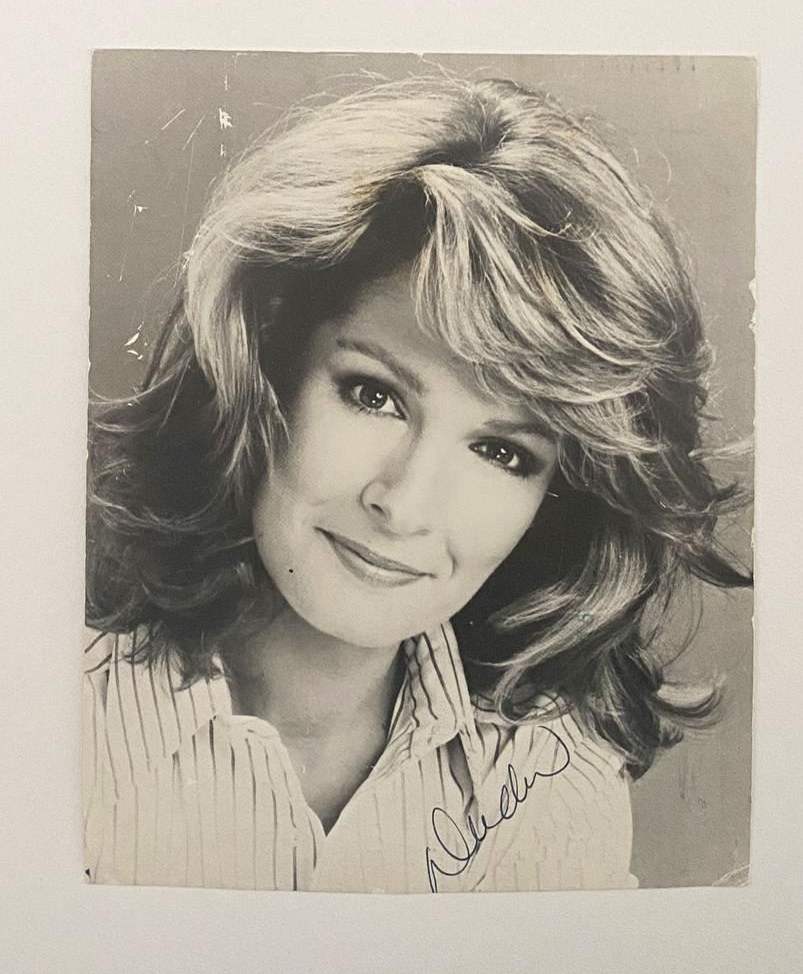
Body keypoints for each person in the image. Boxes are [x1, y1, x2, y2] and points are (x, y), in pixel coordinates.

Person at [84, 74, 752, 892]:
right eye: (374, 395)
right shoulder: (49, 719)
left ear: (556, 501)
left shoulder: (549, 779)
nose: (403, 506)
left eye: (501, 452)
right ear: (265, 366)